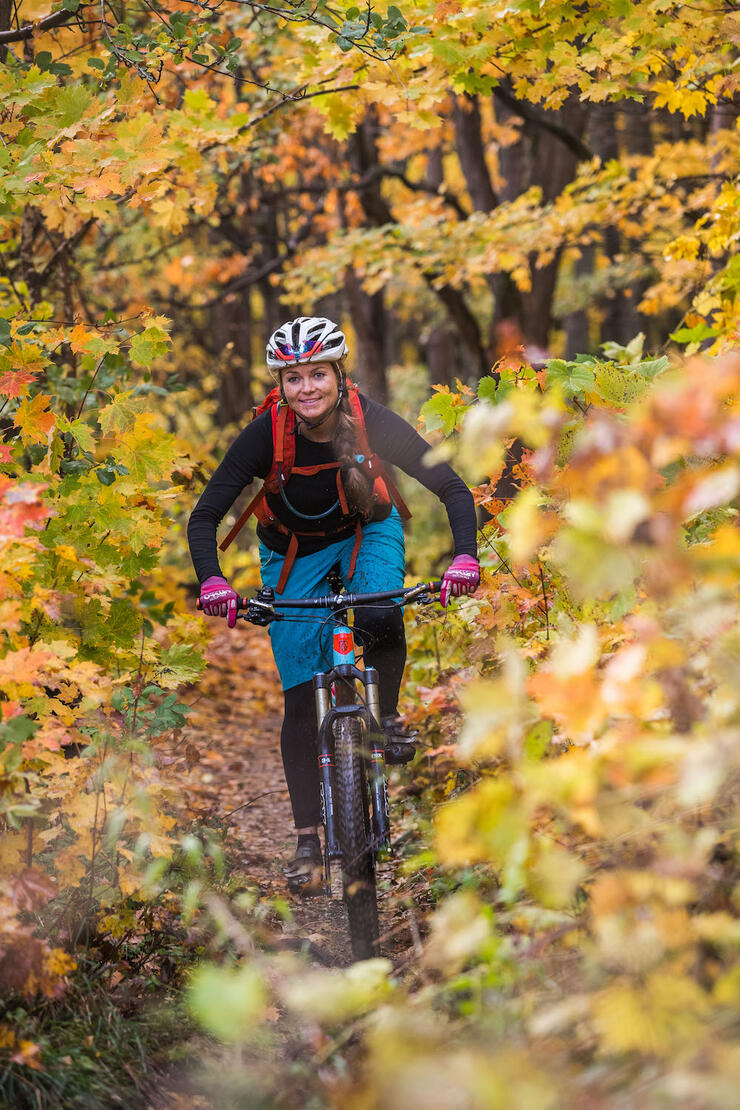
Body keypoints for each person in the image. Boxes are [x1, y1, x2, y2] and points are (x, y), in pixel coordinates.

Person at [187, 317, 480, 891]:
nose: (307, 389)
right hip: (292, 555)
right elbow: (204, 515)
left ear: (338, 374)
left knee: (378, 610)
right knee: (300, 699)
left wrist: (464, 558)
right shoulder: (265, 433)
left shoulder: (370, 420)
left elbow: (451, 487)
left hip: (367, 531)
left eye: (317, 374)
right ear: (281, 383)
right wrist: (213, 582)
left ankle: (387, 716)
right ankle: (307, 843)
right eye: (293, 378)